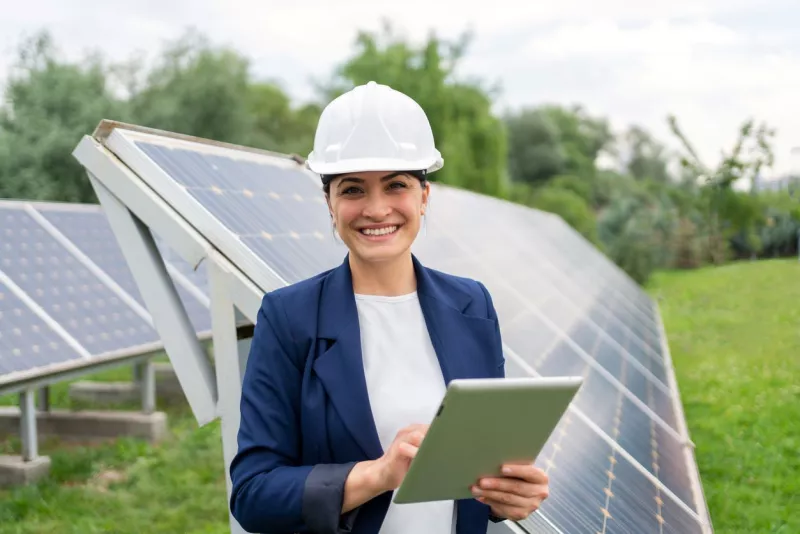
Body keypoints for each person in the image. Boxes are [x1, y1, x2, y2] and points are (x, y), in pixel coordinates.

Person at [229, 81, 550, 534]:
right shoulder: (289, 317)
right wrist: (377, 475)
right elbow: (253, 494)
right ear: (329, 203)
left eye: (396, 185)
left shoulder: (471, 304)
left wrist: (506, 496)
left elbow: (481, 464)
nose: (376, 209)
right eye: (353, 189)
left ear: (423, 196)